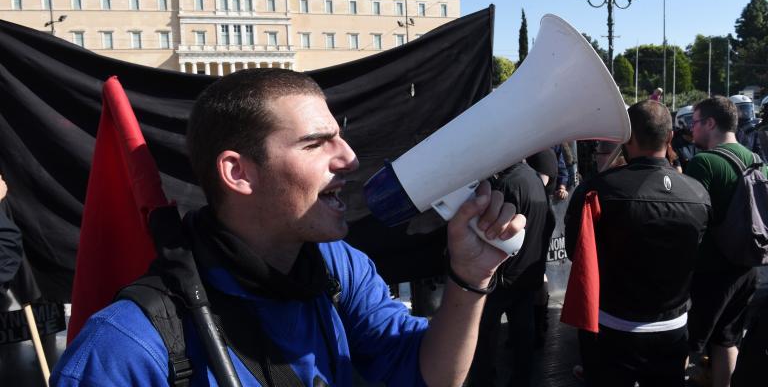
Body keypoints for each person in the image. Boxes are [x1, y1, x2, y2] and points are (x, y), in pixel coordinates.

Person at [51, 69, 525, 386]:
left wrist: (469, 278)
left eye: (340, 136)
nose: (349, 158)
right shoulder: (125, 347)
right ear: (239, 173)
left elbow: (429, 374)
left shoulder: (338, 267)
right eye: (316, 143)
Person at [565, 100, 711, 387]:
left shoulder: (597, 190)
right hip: (672, 327)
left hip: (613, 325)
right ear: (670, 137)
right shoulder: (698, 192)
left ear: (627, 137)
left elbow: (576, 252)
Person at [685, 96, 767, 387]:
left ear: (710, 123)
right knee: (727, 340)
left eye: (695, 122)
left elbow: (689, 219)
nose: (691, 129)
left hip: (710, 271)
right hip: (748, 269)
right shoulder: (758, 162)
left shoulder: (704, 162)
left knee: (687, 344)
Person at [468, 160, 555, 386]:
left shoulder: (508, 184)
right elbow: (549, 221)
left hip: (505, 276)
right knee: (523, 333)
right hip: (527, 272)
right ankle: (521, 379)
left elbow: (490, 232)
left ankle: (484, 380)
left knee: (485, 335)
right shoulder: (535, 179)